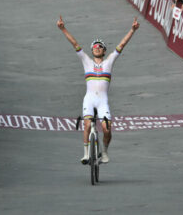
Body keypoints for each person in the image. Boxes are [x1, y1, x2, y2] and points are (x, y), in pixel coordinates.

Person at [57, 15, 140, 164]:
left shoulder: (109, 61)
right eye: (94, 47)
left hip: (102, 101)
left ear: (104, 51)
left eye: (99, 47)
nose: (97, 48)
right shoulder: (86, 61)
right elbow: (74, 43)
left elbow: (122, 44)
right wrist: (63, 29)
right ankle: (86, 153)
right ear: (92, 50)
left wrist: (132, 30)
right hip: (89, 99)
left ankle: (105, 151)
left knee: (107, 129)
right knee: (88, 124)